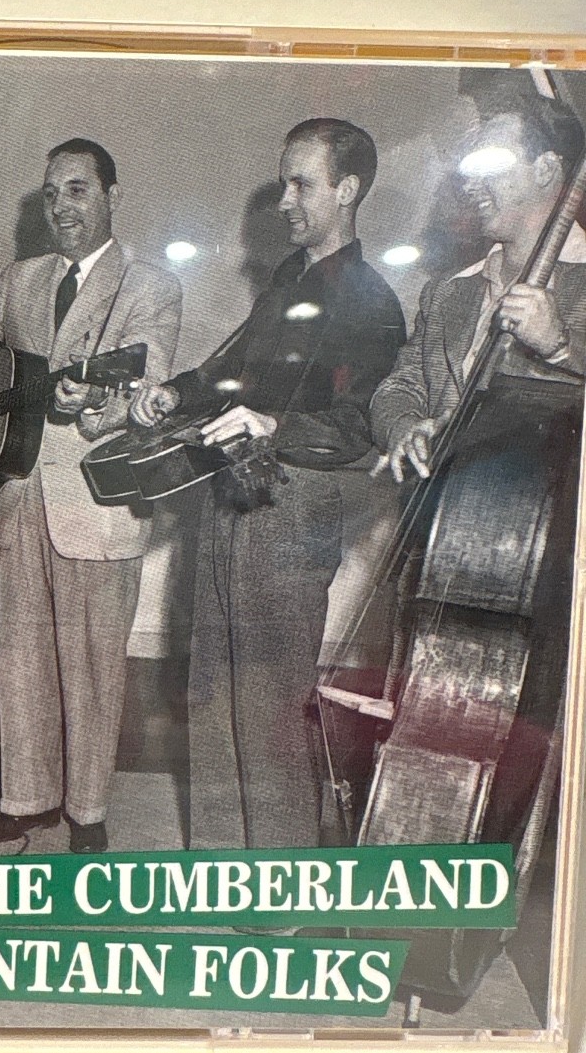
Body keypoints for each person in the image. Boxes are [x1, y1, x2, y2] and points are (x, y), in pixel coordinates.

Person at [131, 118, 406, 850]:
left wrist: (273, 425)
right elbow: (231, 372)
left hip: (294, 506)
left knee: (272, 706)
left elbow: (358, 426)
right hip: (232, 491)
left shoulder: (371, 302)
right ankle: (222, 864)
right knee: (212, 687)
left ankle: (281, 882)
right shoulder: (290, 279)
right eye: (283, 183)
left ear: (347, 190)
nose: (284, 201)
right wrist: (177, 394)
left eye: (300, 185)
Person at [0, 139, 182, 853]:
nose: (61, 207)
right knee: (20, 656)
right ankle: (27, 798)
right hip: (18, 493)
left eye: (77, 190)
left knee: (94, 663)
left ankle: (88, 809)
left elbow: (148, 378)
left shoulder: (151, 287)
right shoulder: (22, 280)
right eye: (50, 194)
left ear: (112, 197)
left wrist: (97, 398)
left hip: (98, 500)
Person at [374, 89, 586, 483]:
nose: (470, 185)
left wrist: (560, 348)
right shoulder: (446, 292)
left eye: (491, 165)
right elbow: (400, 386)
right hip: (445, 503)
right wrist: (405, 427)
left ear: (545, 169)